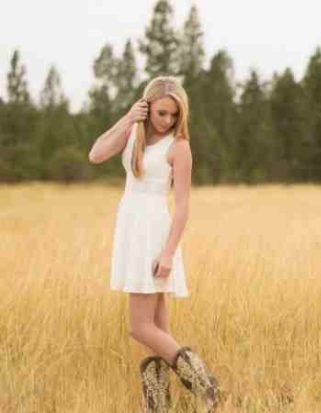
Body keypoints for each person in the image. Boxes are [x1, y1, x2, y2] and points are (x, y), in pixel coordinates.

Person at [88, 76, 222, 412]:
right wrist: (128, 118)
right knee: (158, 327)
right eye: (162, 113)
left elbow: (183, 206)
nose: (168, 120)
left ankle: (205, 385)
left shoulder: (178, 146)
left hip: (153, 232)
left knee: (140, 327)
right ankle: (158, 405)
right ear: (147, 107)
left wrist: (168, 253)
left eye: (174, 115)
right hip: (131, 228)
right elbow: (96, 154)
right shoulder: (133, 133)